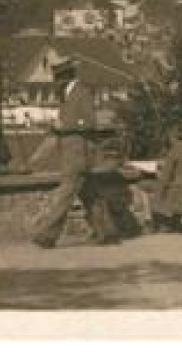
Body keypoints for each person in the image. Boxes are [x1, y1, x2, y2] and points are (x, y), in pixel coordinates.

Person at [32, 57, 119, 248]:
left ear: (65, 76)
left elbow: (89, 123)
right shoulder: (66, 94)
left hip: (79, 154)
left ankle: (48, 235)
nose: (55, 82)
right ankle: (107, 233)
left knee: (65, 194)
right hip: (74, 153)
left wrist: (64, 126)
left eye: (57, 78)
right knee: (90, 196)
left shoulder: (82, 92)